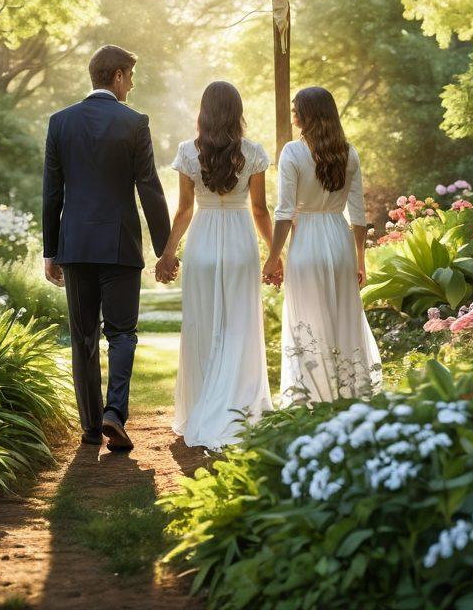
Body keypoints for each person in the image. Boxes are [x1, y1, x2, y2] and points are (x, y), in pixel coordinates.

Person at [42, 45, 170, 450]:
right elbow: (148, 186)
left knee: (83, 337)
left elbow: (52, 192)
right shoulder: (134, 122)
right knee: (122, 333)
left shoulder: (60, 122)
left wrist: (50, 250)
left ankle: (91, 428)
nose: (131, 85)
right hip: (119, 245)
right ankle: (115, 412)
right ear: (117, 75)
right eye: (130, 76)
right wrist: (165, 248)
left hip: (76, 246)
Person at [155, 82, 275, 450]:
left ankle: (200, 405)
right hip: (240, 242)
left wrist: (168, 253)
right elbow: (259, 210)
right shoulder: (253, 153)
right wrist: (275, 253)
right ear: (237, 112)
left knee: (202, 325)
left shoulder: (187, 152)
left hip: (203, 243)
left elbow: (184, 210)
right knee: (240, 324)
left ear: (204, 112)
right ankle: (238, 406)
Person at [262, 86, 381, 403]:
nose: (293, 114)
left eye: (296, 109)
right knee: (343, 316)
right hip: (340, 240)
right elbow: (358, 215)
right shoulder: (348, 153)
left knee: (307, 319)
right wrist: (360, 259)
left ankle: (312, 394)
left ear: (309, 114)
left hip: (307, 241)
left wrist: (273, 257)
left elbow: (284, 212)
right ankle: (348, 391)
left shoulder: (292, 152)